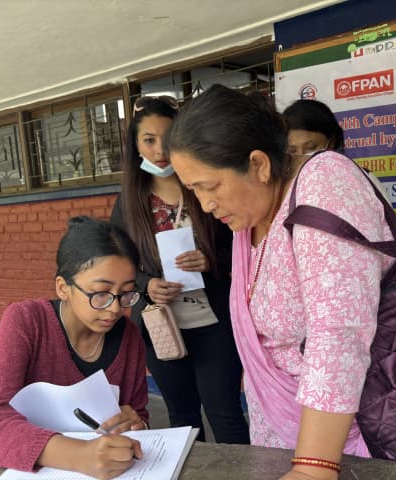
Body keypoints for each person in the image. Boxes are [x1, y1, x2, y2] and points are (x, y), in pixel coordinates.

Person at [165, 84, 395, 480]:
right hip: (282, 440)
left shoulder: (324, 184)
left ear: (259, 165)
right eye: (193, 191)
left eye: (210, 186)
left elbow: (338, 332)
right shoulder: (249, 222)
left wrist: (312, 468)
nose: (205, 205)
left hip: (352, 443)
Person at [110, 95, 249, 444]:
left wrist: (212, 261)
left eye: (167, 138)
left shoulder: (206, 188)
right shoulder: (129, 201)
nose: (160, 150)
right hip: (161, 328)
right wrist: (145, 285)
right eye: (149, 140)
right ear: (135, 145)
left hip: (214, 323)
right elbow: (119, 263)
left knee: (226, 415)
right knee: (182, 419)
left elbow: (245, 244)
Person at [0, 216, 149, 479]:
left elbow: (140, 414)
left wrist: (135, 423)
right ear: (63, 288)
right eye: (101, 292)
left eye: (126, 293)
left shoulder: (128, 336)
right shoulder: (27, 321)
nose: (115, 308)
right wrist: (79, 455)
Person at [283, 98, 392, 203]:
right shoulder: (281, 188)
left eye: (311, 147)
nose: (302, 157)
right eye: (292, 151)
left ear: (331, 142)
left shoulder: (362, 181)